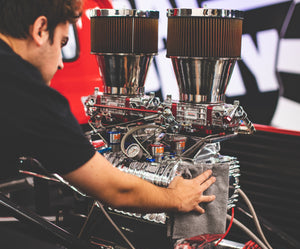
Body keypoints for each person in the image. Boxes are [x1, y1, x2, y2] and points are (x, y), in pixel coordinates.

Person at [0, 0, 215, 215]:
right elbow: (115, 190)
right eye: (62, 44)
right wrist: (175, 197)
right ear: (40, 30)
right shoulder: (26, 92)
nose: (60, 63)